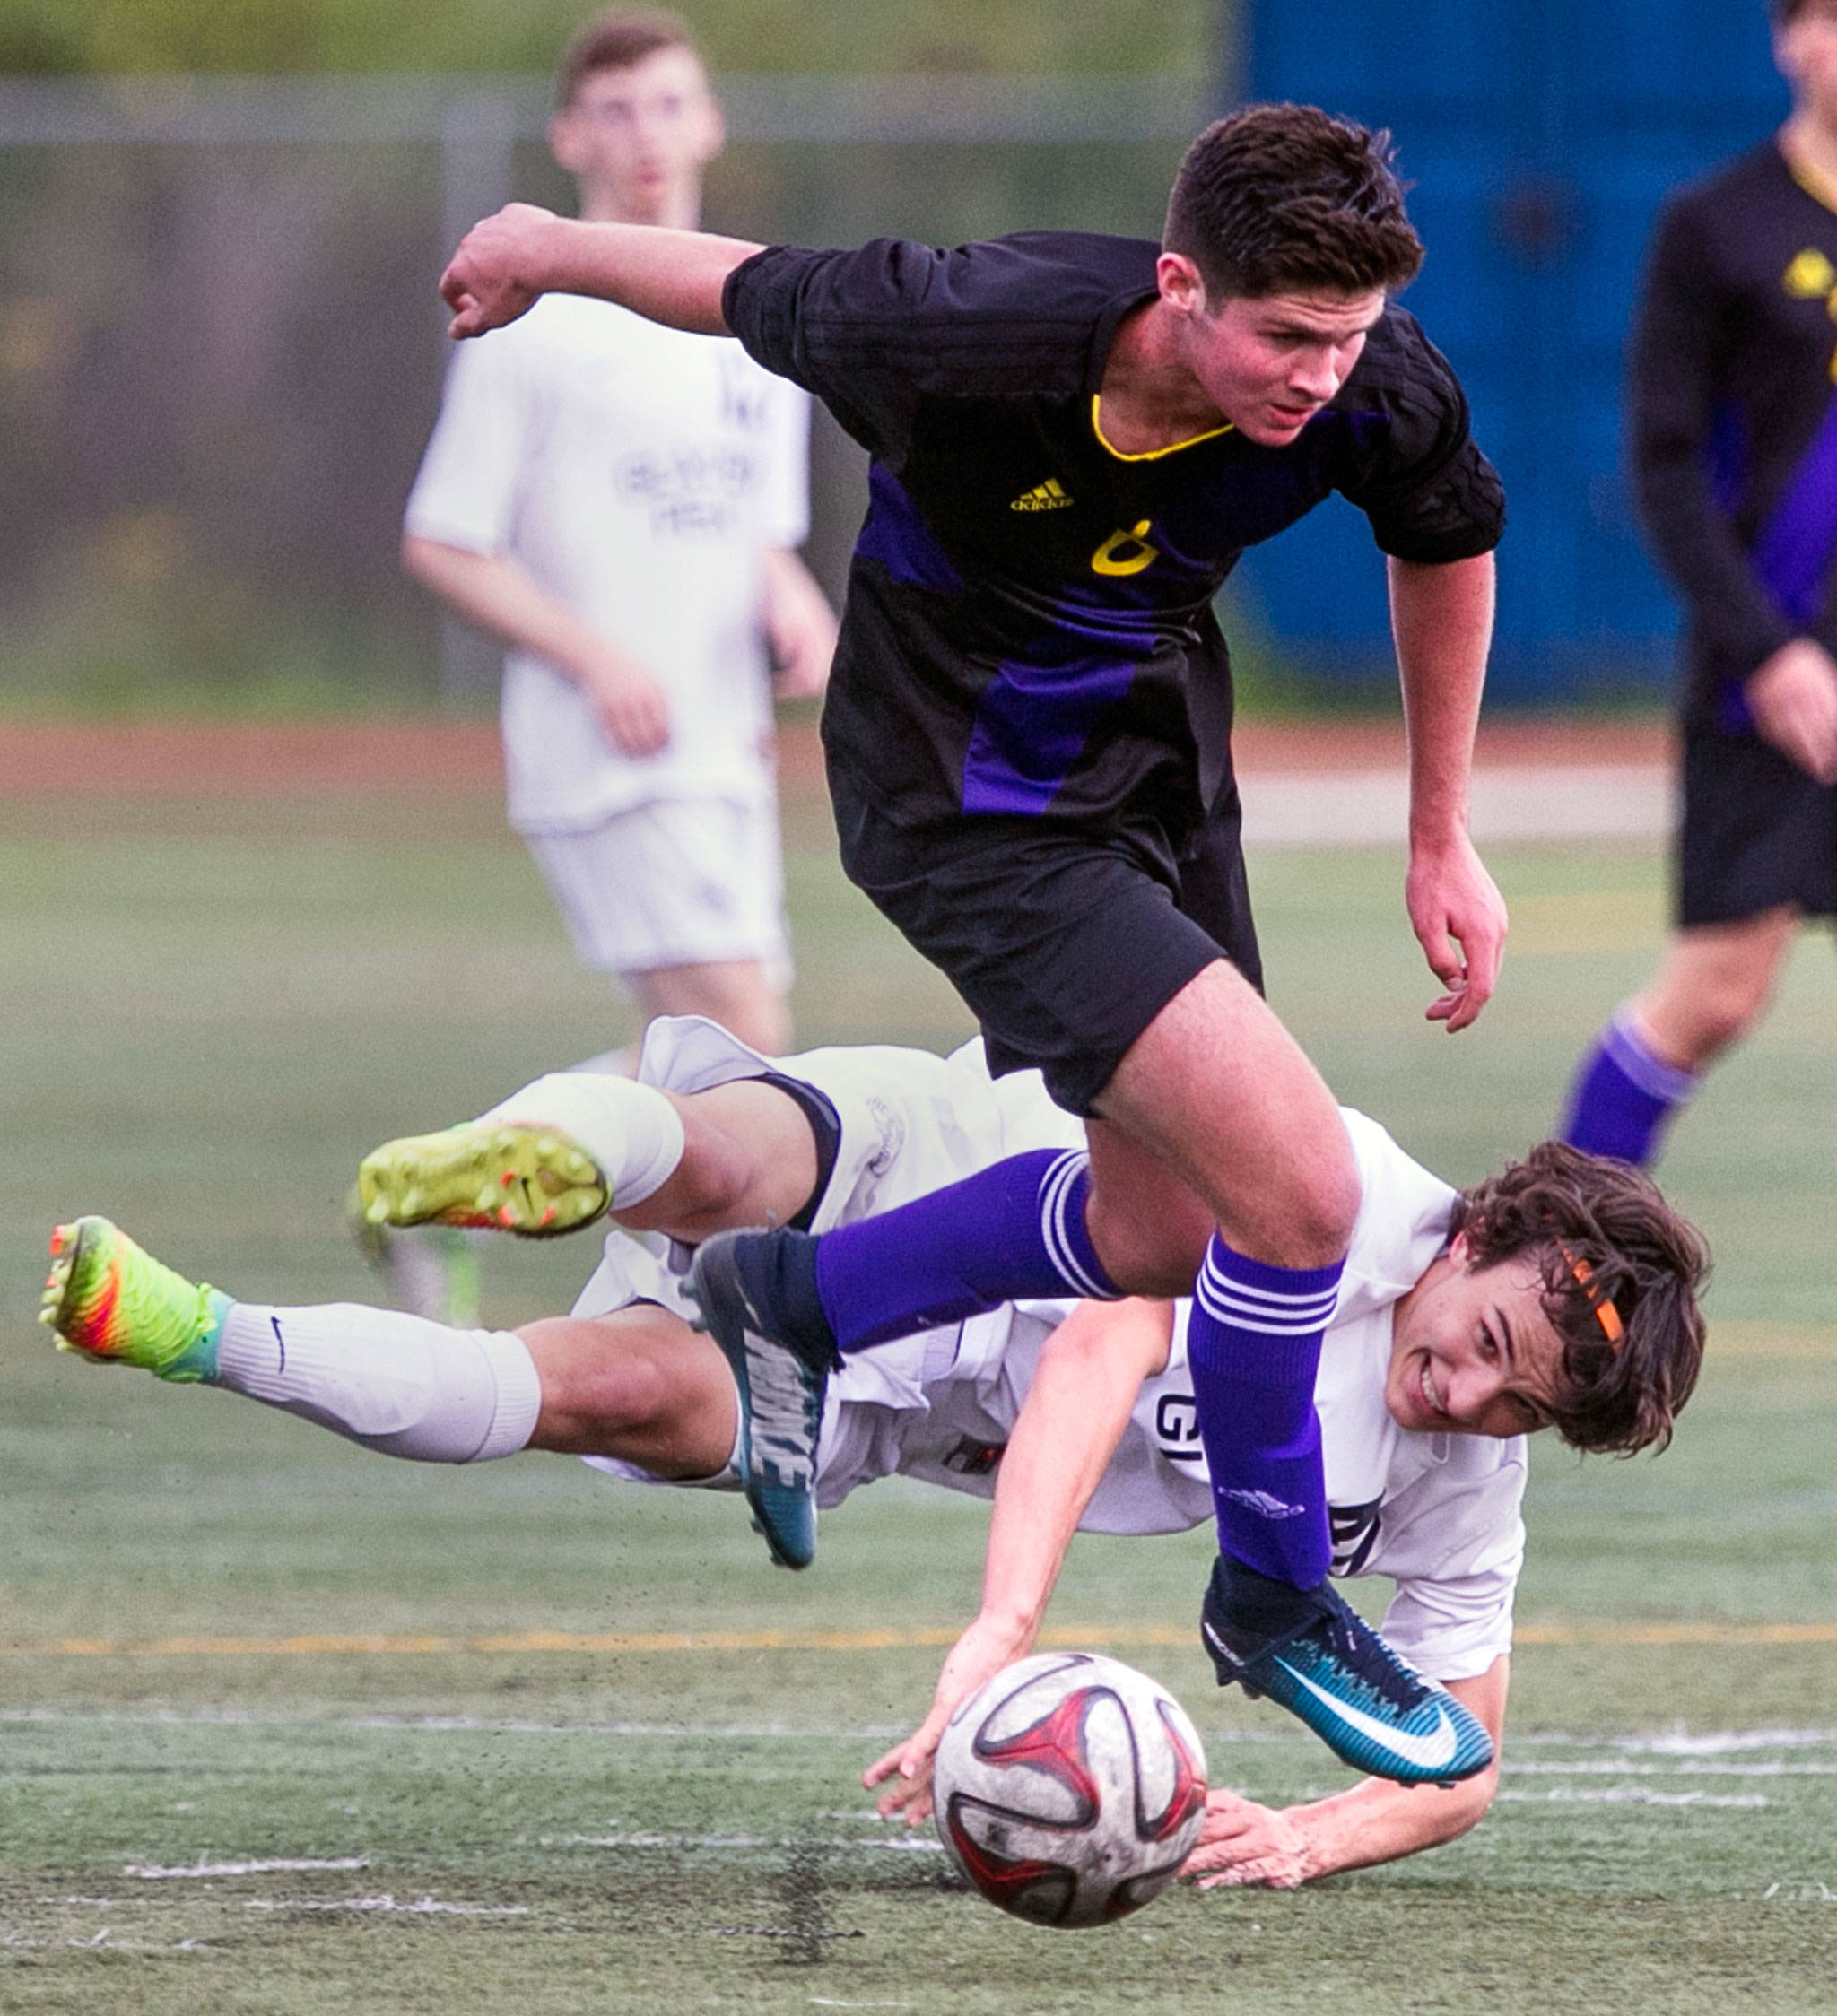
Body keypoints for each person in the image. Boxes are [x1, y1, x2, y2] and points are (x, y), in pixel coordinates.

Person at [432, 100, 1510, 1772]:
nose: (1317, 377)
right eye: (1287, 337)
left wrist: (1437, 830)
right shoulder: (959, 331)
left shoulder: (1372, 380)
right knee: (1297, 1192)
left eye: (1346, 338)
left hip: (1150, 779)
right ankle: (1274, 1594)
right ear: (1180, 287)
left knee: (1163, 1231)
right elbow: (735, 280)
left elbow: (1444, 538)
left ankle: (795, 1296)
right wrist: (539, 249)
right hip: (961, 803)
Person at [45, 1018, 1707, 1818]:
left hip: (910, 1412)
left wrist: (1303, 1834)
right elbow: (1095, 1353)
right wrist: (999, 1626)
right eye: (1486, 1341)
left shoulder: (1461, 1461)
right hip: (960, 1171)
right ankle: (567, 1156)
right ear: (1477, 1234)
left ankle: (196, 1327)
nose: (1469, 1393)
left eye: (1518, 1401)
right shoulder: (1316, 1192)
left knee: (606, 1393)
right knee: (729, 1164)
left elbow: (1454, 1757)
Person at [403, 8, 836, 1063]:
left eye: (669, 104)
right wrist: (596, 661)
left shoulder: (753, 315)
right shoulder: (533, 322)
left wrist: (790, 595)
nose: (646, 132)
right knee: (746, 1048)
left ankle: (454, 1210)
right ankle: (453, 1208)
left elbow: (752, 529)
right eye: (616, 109)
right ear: (569, 140)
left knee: (697, 1066)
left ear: (710, 126)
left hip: (719, 746)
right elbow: (445, 540)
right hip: (611, 755)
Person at [1559, 0, 1837, 1167]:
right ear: (1785, 39)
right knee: (1719, 988)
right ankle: (1563, 1259)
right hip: (1772, 675)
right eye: (1820, 18)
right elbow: (1665, 470)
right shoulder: (1715, 224)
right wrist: (1767, 650)